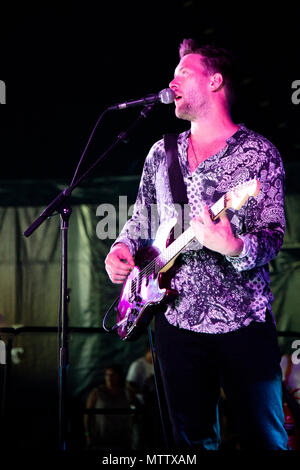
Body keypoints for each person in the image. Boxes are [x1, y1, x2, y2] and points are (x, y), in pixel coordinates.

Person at [104, 38, 288, 450]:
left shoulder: (259, 154)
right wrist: (121, 249)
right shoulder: (161, 152)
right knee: (189, 444)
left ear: (215, 81)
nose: (172, 81)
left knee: (265, 441)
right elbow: (141, 218)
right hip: (175, 322)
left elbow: (274, 235)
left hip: (244, 322)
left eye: (184, 72)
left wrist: (235, 247)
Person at [84, 364, 132, 450]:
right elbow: (87, 415)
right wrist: (88, 434)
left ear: (119, 376)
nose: (109, 377)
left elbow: (137, 409)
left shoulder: (126, 393)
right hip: (101, 440)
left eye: (113, 375)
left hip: (122, 440)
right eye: (107, 375)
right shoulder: (97, 393)